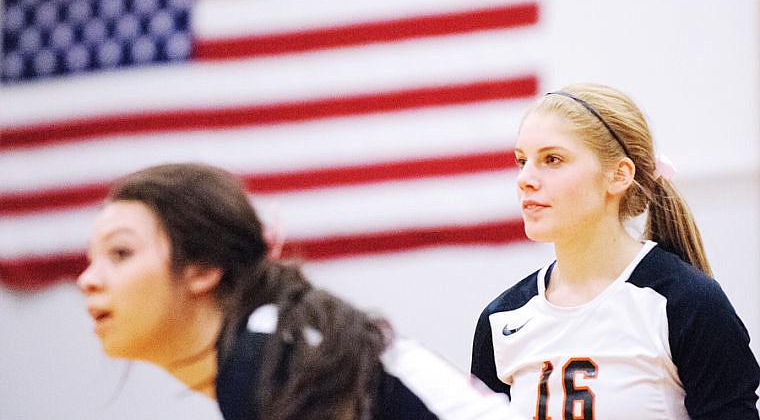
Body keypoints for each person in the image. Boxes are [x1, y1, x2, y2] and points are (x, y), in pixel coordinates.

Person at [78, 162, 523, 420]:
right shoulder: (261, 351)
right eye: (91, 258)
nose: (88, 279)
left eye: (119, 254)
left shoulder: (267, 360)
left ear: (203, 269)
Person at [471, 83, 760, 419]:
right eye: (522, 161)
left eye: (552, 159)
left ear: (619, 175)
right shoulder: (502, 318)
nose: (526, 179)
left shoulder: (686, 304)